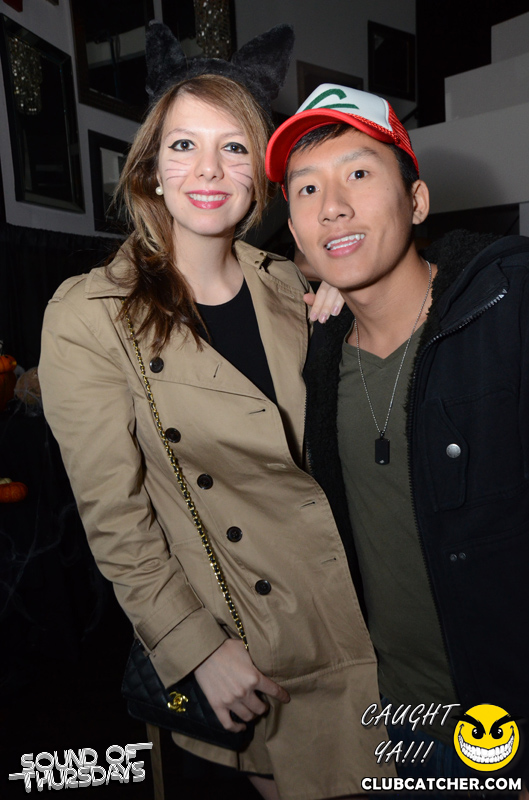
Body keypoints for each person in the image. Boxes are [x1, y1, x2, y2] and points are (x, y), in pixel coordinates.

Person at [39, 28, 392, 800]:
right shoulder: (90, 314)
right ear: (150, 169)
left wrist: (349, 322)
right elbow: (115, 518)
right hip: (260, 645)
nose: (207, 170)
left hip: (370, 609)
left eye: (233, 148)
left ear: (259, 172)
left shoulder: (289, 283)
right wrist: (194, 647)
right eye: (183, 146)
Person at [266, 83, 529, 788]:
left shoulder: (507, 307)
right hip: (388, 721)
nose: (332, 206)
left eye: (358, 173)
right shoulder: (315, 360)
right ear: (295, 232)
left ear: (416, 202)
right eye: (306, 189)